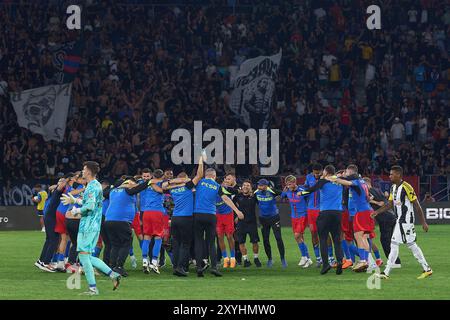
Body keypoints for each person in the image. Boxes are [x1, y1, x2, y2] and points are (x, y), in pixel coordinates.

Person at [61, 161, 121, 295]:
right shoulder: (94, 185)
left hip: (88, 226)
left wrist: (76, 210)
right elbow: (89, 202)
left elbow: (90, 207)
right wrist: (75, 201)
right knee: (86, 256)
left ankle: (93, 288)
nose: (82, 171)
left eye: (83, 169)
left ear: (88, 171)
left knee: (83, 256)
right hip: (91, 225)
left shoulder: (93, 186)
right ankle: (113, 275)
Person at [372, 166, 433, 280]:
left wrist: (423, 222)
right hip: (399, 219)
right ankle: (427, 269)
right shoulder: (393, 188)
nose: (389, 176)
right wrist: (377, 212)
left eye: (391, 174)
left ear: (398, 175)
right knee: (411, 245)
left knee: (394, 243)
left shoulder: (407, 187)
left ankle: (386, 273)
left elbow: (417, 205)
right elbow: (390, 204)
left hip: (406, 220)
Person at [192, 155, 244, 277]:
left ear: (206, 175)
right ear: (214, 176)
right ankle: (214, 267)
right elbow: (226, 198)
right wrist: (237, 211)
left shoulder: (199, 182)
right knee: (211, 242)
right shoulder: (217, 186)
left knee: (199, 241)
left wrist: (200, 160)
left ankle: (199, 267)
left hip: (198, 214)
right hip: (211, 215)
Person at [327, 165, 374, 272]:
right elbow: (368, 197)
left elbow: (347, 183)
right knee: (365, 237)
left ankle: (363, 260)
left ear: (351, 172)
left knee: (358, 236)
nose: (345, 173)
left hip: (361, 212)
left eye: (347, 172)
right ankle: (367, 261)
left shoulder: (356, 181)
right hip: (368, 210)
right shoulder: (362, 181)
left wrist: (333, 178)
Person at [300, 165, 344, 275]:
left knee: (323, 239)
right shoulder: (340, 182)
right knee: (337, 239)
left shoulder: (323, 181)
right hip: (337, 213)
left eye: (323, 171)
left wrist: (301, 193)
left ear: (327, 172)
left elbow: (311, 190)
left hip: (325, 213)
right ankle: (339, 262)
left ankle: (325, 265)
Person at [104, 176, 147, 277]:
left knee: (115, 245)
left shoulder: (113, 191)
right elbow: (140, 188)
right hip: (121, 221)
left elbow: (104, 192)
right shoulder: (127, 190)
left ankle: (112, 267)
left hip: (109, 220)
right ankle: (119, 267)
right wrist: (150, 181)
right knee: (126, 243)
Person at [364, 177, 400, 268]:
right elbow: (385, 201)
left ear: (366, 184)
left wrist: (375, 202)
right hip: (391, 216)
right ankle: (396, 260)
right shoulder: (378, 190)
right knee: (390, 240)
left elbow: (368, 199)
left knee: (385, 240)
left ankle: (393, 262)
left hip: (385, 218)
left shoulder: (369, 191)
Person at [35, 177, 68, 272]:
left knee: (49, 239)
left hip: (49, 215)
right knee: (54, 240)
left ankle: (41, 261)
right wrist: (66, 181)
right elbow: (58, 186)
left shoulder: (55, 190)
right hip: (51, 217)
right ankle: (46, 262)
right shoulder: (58, 190)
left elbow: (51, 187)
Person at [254, 179, 287, 268]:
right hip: (263, 219)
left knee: (278, 238)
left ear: (266, 185)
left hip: (274, 217)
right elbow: (255, 201)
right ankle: (270, 259)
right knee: (265, 239)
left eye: (261, 185)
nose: (259, 187)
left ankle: (283, 259)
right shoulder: (256, 192)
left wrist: (281, 197)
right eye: (258, 185)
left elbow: (284, 194)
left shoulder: (272, 191)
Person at [281, 175, 313, 268]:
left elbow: (311, 193)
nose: (289, 185)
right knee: (299, 238)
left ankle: (304, 257)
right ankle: (308, 258)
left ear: (295, 183)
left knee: (297, 235)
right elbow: (282, 196)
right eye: (287, 184)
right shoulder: (287, 191)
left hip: (303, 216)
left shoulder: (302, 190)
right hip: (293, 217)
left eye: (290, 183)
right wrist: (284, 190)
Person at [140, 169, 166, 274]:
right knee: (158, 237)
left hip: (146, 212)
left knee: (147, 237)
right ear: (162, 176)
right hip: (157, 212)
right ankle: (154, 262)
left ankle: (145, 261)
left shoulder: (145, 184)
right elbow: (162, 190)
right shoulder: (161, 183)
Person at [234, 180, 262, 268]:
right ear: (242, 187)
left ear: (250, 188)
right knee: (241, 242)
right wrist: (236, 215)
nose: (246, 187)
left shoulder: (254, 196)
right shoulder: (237, 196)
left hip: (252, 223)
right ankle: (245, 259)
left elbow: (262, 204)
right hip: (241, 223)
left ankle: (256, 258)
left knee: (255, 242)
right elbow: (232, 206)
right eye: (244, 185)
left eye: (248, 185)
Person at [215, 174, 239, 269]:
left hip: (228, 215)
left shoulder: (226, 189)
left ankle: (233, 258)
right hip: (218, 215)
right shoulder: (212, 190)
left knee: (229, 236)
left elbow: (236, 190)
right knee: (220, 237)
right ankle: (225, 258)